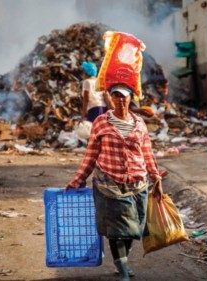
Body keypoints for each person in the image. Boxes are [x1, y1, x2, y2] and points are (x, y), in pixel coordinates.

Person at [66, 84, 163, 281]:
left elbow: (147, 154)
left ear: (130, 98)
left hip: (137, 183)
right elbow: (91, 154)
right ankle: (124, 270)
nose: (119, 100)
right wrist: (79, 178)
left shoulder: (140, 124)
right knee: (116, 229)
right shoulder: (101, 122)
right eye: (115, 96)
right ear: (110, 98)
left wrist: (156, 178)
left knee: (133, 228)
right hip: (109, 183)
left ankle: (122, 261)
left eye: (123, 96)